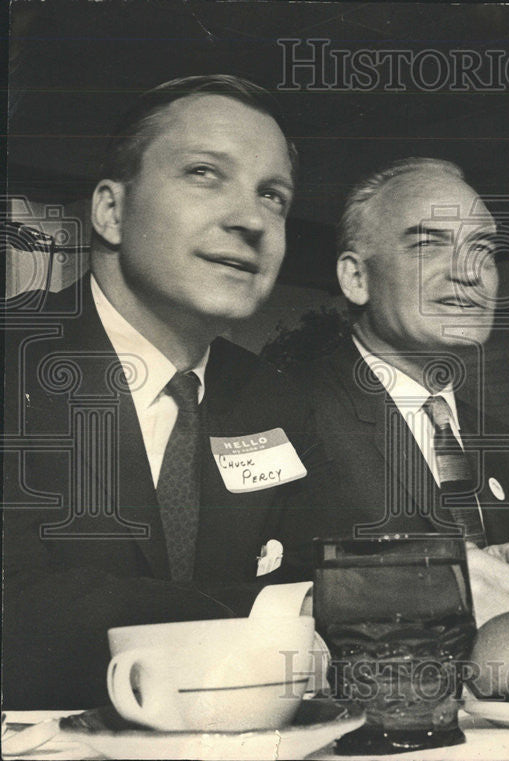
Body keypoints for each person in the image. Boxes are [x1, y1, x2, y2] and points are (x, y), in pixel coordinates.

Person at [2, 75, 328, 708]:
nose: (251, 219)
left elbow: (328, 568)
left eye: (274, 196)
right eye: (205, 173)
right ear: (111, 212)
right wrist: (273, 606)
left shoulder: (277, 401)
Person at [282, 158, 509, 623]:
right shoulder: (284, 414)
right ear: (356, 278)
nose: (469, 272)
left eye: (483, 249)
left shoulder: (504, 444)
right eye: (429, 243)